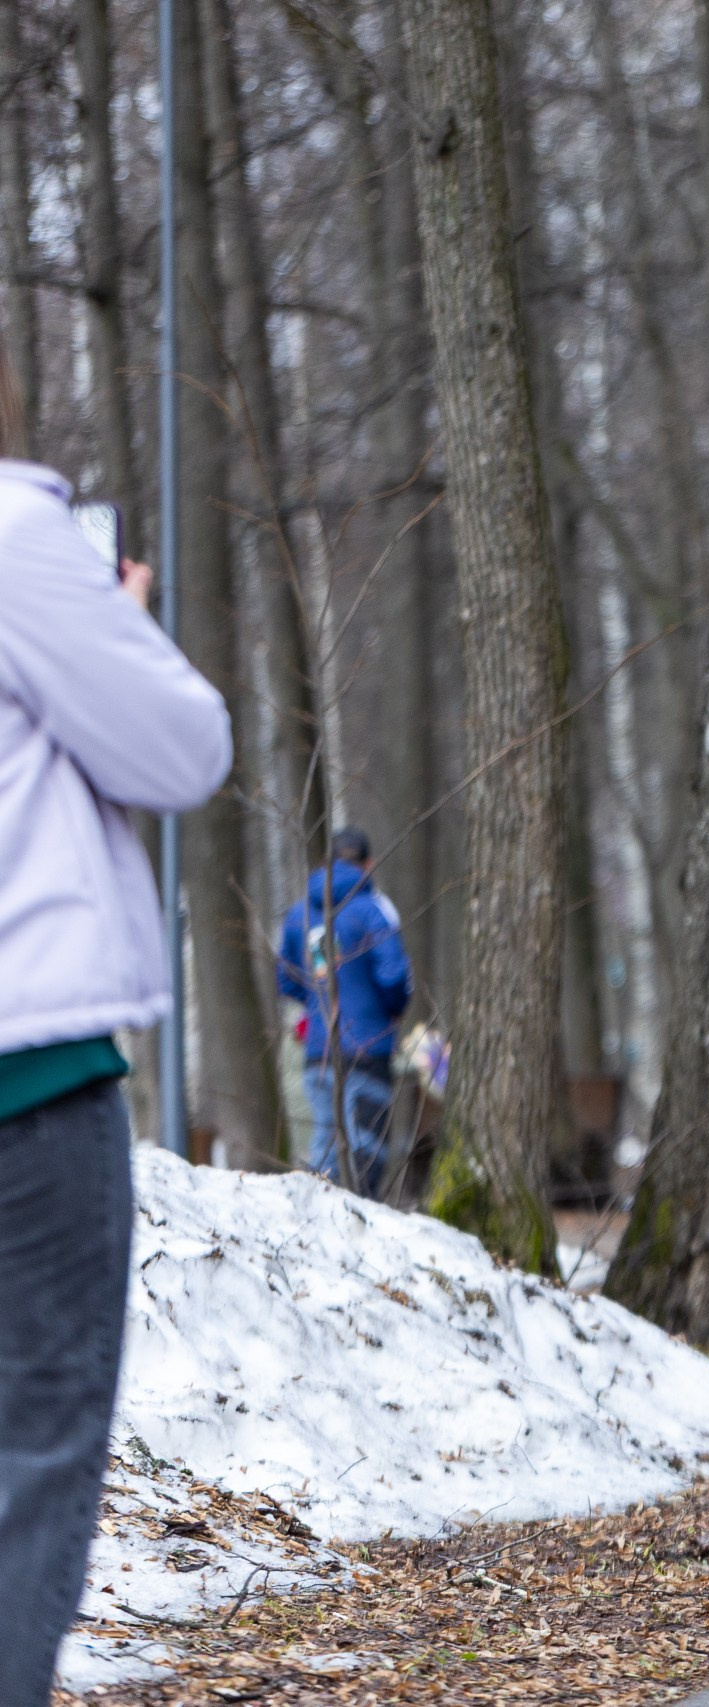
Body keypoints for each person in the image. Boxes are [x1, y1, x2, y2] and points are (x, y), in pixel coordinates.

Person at [0, 364, 232, 1699]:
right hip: (25, 1073)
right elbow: (179, 749)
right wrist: (120, 626)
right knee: (32, 1454)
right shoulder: (21, 541)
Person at [277, 826, 412, 1197]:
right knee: (366, 1153)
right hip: (368, 1047)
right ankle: (358, 1222)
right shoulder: (373, 911)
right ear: (368, 864)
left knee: (325, 1147)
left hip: (319, 1053)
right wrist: (392, 1010)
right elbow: (394, 974)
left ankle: (318, 1224)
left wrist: (317, 1004)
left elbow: (286, 979)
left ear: (327, 863)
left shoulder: (299, 914)